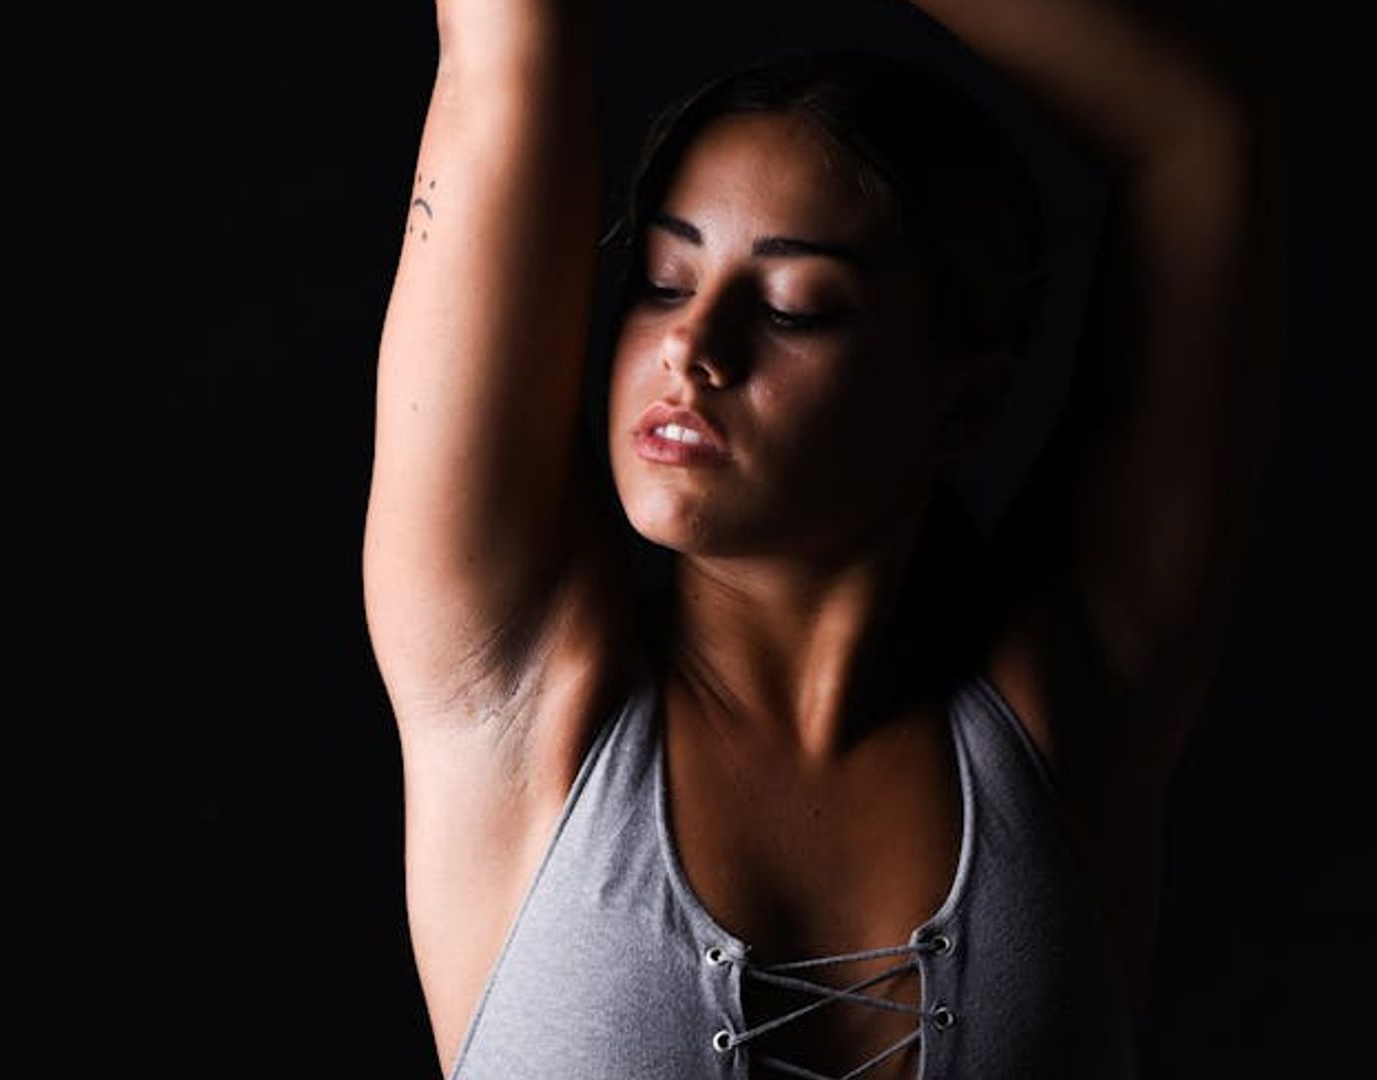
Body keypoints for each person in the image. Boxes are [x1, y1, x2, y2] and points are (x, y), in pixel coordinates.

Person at [363, 0, 1280, 1076]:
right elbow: (504, 57)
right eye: (663, 283)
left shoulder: (1073, 704)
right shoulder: (520, 698)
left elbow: (1201, 144)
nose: (693, 347)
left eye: (794, 305)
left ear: (963, 403)